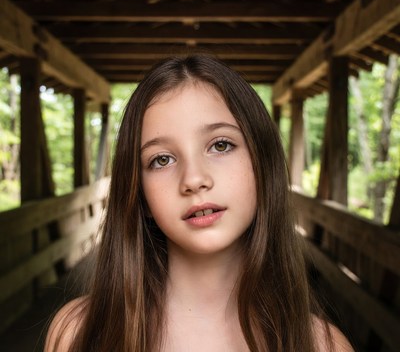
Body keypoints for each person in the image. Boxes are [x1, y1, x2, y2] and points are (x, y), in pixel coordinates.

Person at [45, 54, 354, 351]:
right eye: (161, 159)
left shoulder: (324, 346)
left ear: (264, 163)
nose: (193, 179)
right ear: (140, 195)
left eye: (220, 145)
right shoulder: (76, 334)